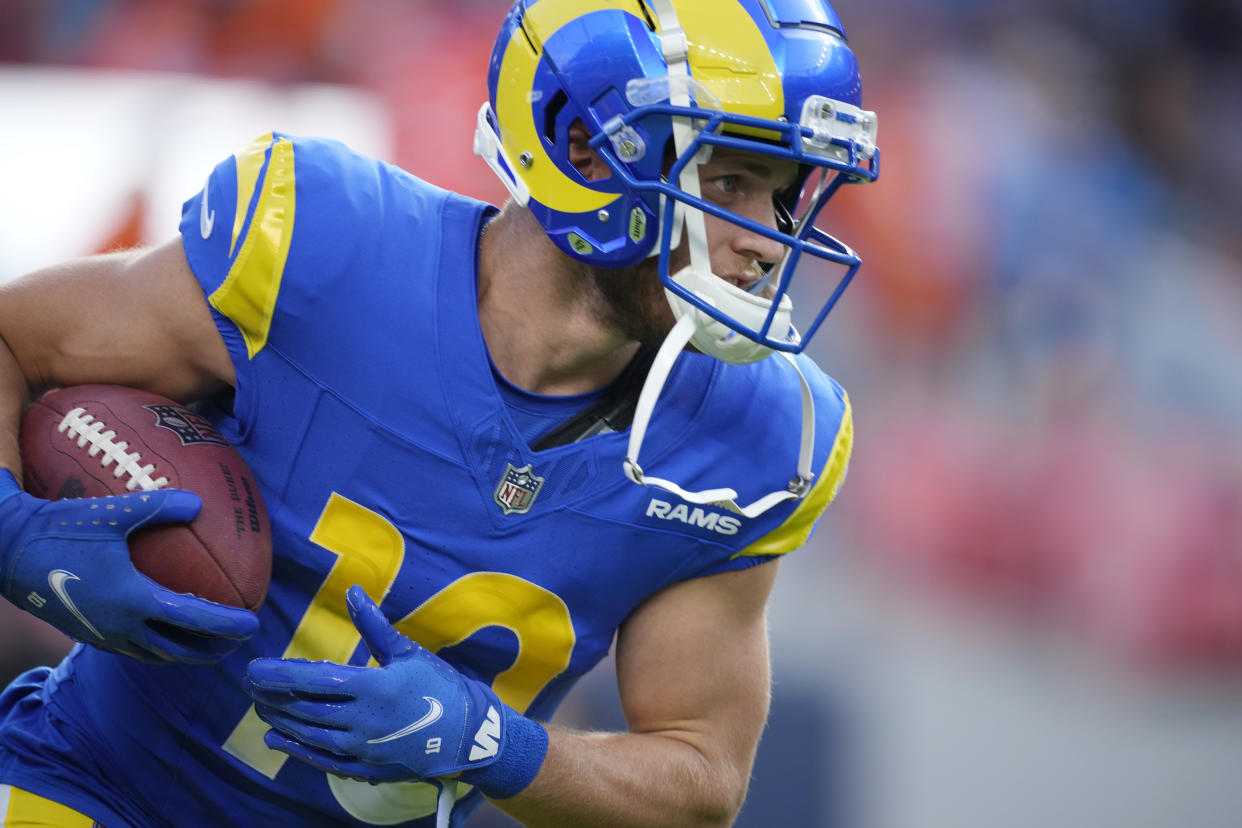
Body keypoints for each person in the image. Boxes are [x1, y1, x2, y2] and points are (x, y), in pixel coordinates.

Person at [0, 0, 879, 825]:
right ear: (584, 146)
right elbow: (13, 343)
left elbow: (700, 780)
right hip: (95, 786)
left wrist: (498, 745)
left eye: (783, 195)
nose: (766, 242)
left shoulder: (757, 436)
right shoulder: (326, 245)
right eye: (727, 182)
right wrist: (11, 530)